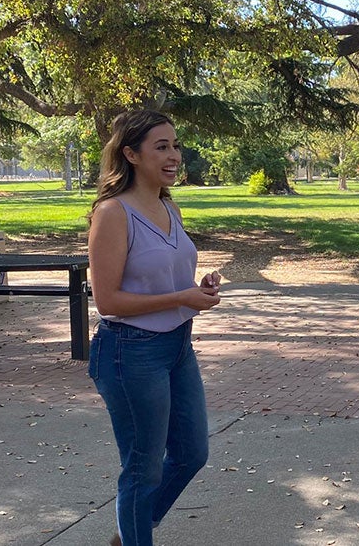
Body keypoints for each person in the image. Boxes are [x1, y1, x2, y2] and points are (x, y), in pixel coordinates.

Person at [87, 109, 222, 546]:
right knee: (142, 470)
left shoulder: (169, 206)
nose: (174, 156)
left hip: (178, 347)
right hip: (130, 352)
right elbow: (108, 301)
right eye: (161, 147)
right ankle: (135, 533)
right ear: (131, 154)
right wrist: (181, 298)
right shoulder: (113, 213)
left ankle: (132, 530)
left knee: (191, 454)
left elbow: (162, 277)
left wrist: (197, 289)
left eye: (175, 146)